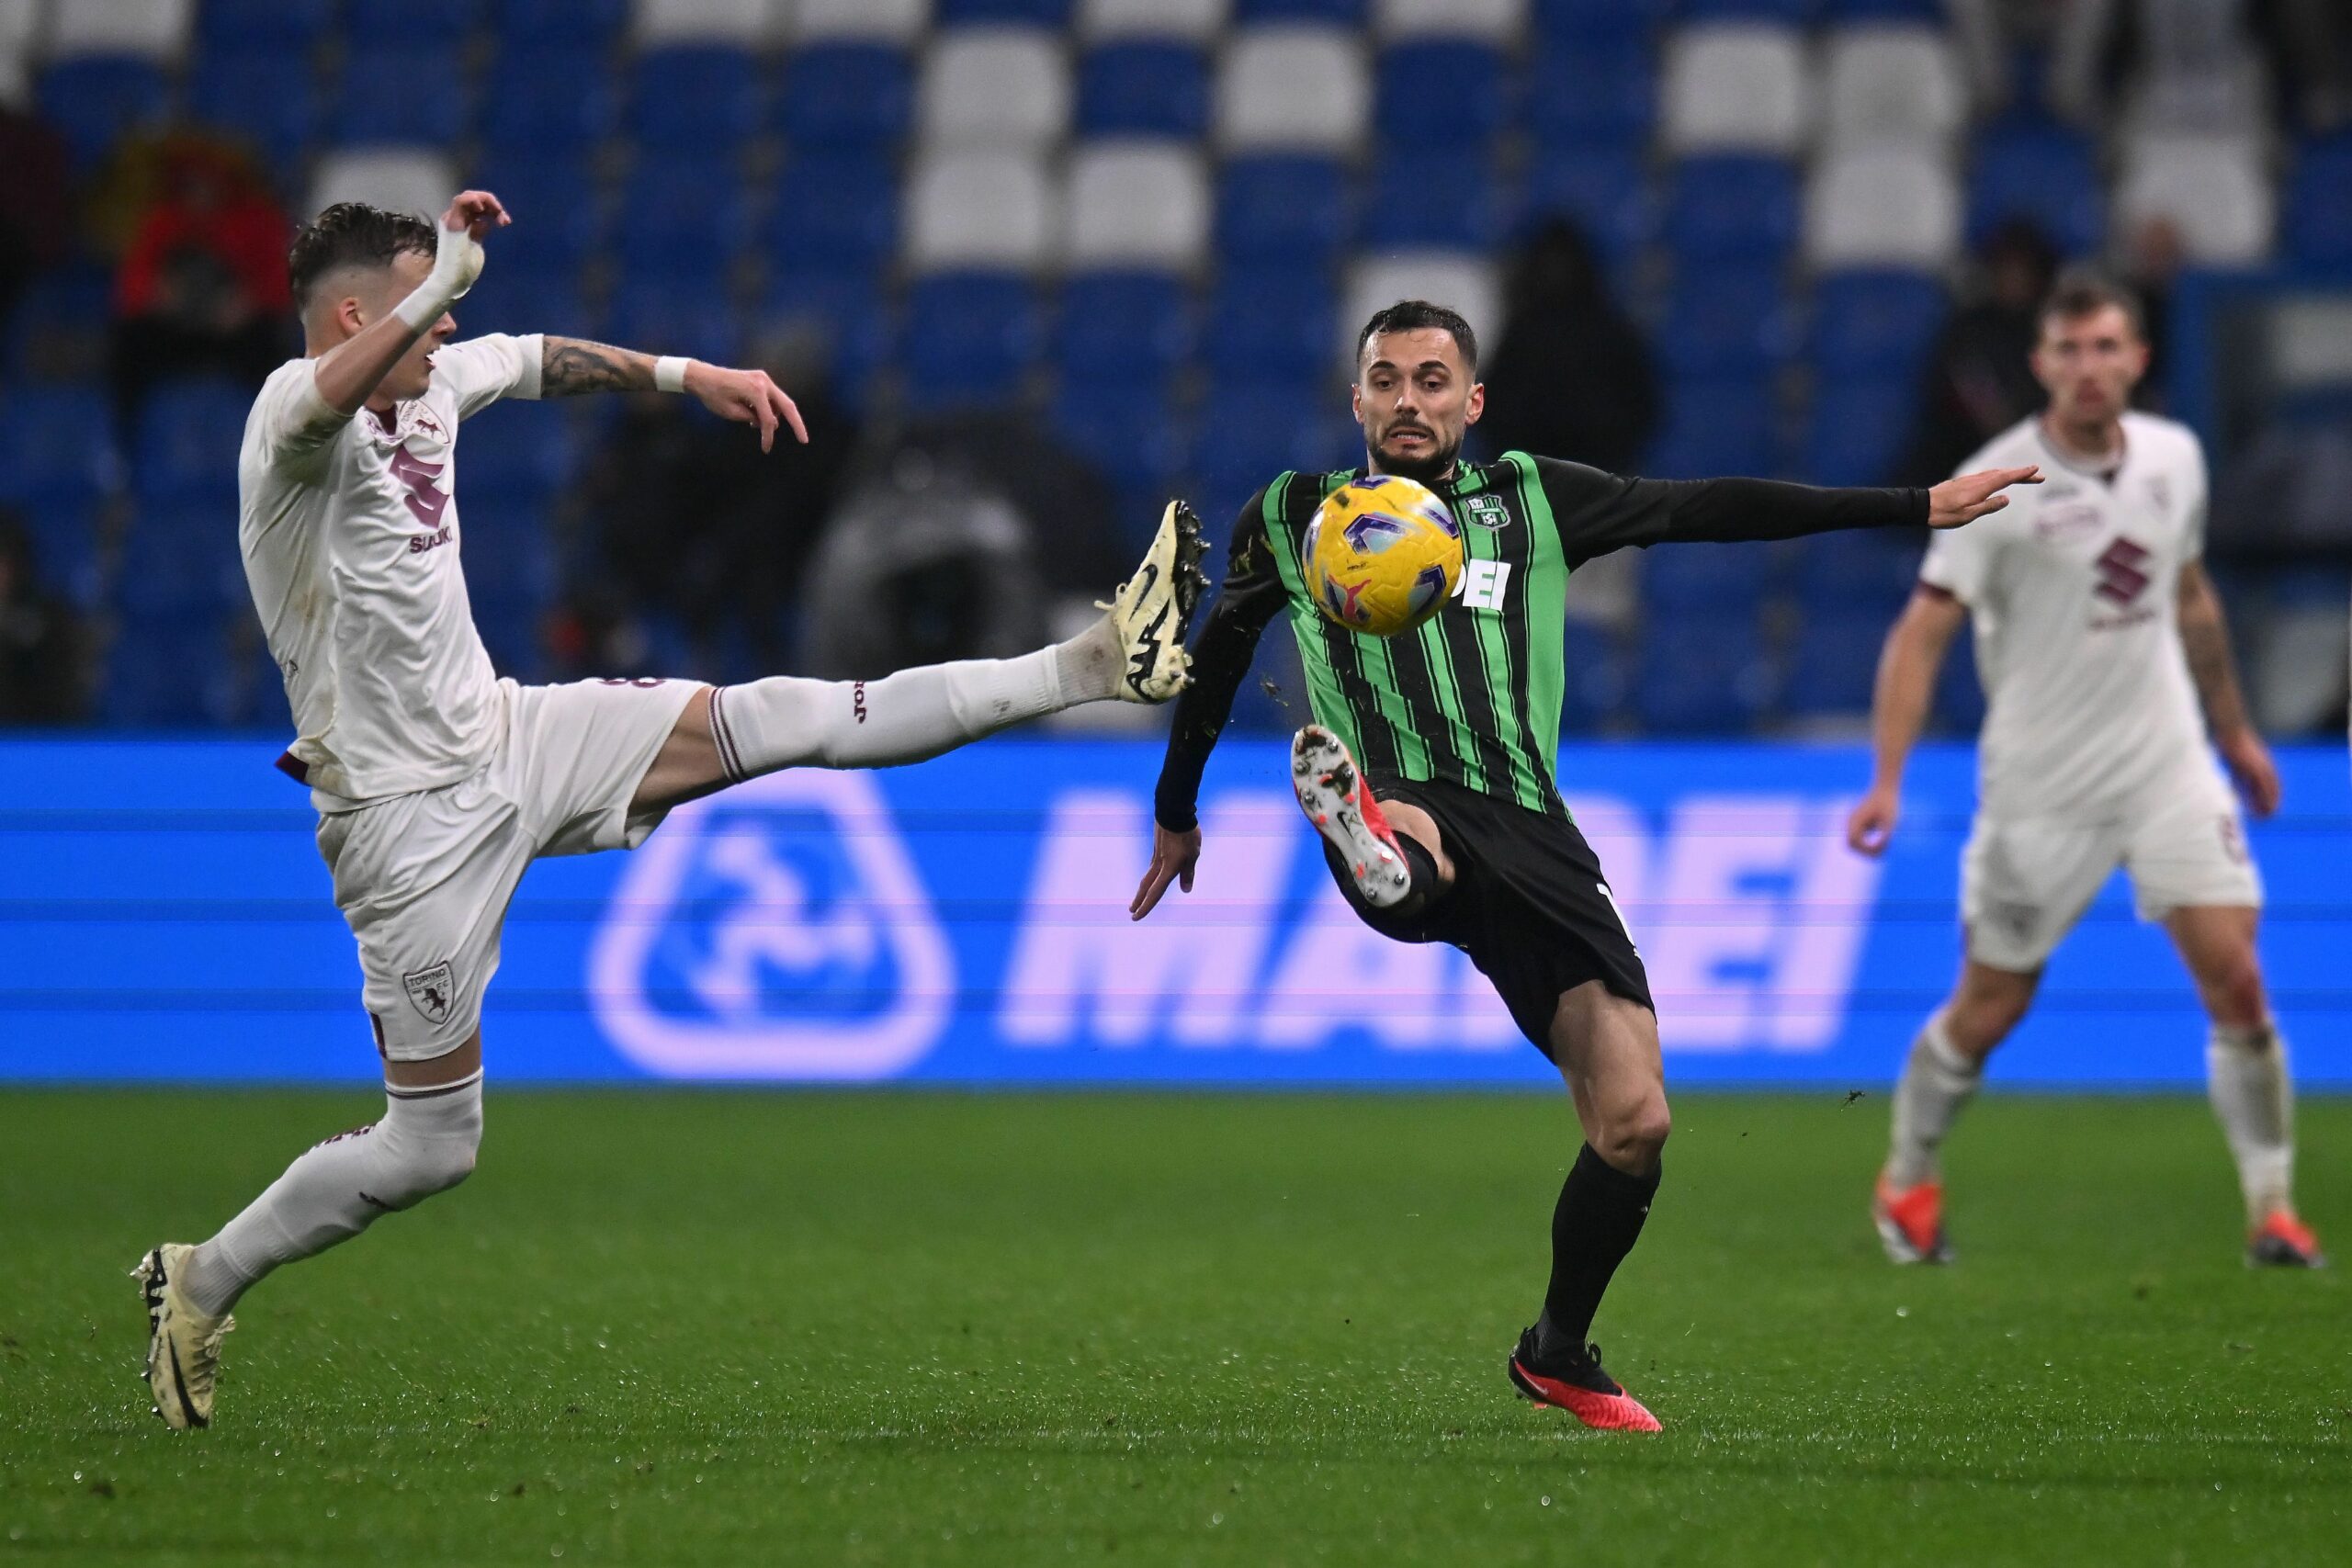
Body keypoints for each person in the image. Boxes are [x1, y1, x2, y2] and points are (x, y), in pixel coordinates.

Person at [132, 193, 1208, 1431]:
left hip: (512, 735)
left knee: (793, 717)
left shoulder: (426, 382)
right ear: (366, 311)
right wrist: (437, 297)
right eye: (427, 312)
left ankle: (1086, 662)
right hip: (403, 819)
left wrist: (694, 373)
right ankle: (200, 1276)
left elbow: (535, 363)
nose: (446, 337)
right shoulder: (288, 418)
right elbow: (339, 392)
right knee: (434, 1146)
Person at [1129, 299, 2039, 1432]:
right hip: (1414, 799)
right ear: (1355, 398)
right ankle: (1371, 846)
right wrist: (1176, 811)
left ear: (1472, 399)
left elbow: (1702, 508)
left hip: (1538, 829)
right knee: (1417, 856)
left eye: (1429, 379)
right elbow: (1218, 656)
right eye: (1384, 380)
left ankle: (1556, 1351)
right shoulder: (1295, 514)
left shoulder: (1531, 499)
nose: (1406, 400)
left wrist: (1911, 505)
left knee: (1634, 1121)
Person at [1847, 272, 2324, 1270]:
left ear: (2137, 357)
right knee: (1991, 1006)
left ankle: (2272, 1210)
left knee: (2237, 979)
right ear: (2041, 364)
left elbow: (2187, 597)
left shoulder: (2174, 458)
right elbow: (1918, 636)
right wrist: (1886, 779)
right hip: (2039, 788)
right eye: (2069, 351)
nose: (2089, 368)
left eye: (2107, 347)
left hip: (2166, 769)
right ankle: (1908, 1176)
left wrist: (2234, 736)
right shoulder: (1999, 481)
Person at [1898, 219, 2060, 488]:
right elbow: (1945, 386)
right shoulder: (1969, 326)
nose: (2013, 280)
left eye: (2022, 271)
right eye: (2005, 270)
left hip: (2037, 450)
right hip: (1963, 447)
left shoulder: (2054, 329)